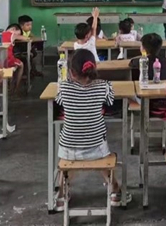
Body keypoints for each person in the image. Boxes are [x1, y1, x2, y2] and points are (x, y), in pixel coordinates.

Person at [55, 49, 131, 208]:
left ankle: (61, 195)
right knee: (103, 158)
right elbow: (110, 102)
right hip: (96, 147)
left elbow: (59, 101)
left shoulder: (63, 87)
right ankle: (115, 191)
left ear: (71, 72)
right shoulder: (104, 86)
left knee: (67, 163)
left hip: (69, 148)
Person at [2, 24, 27, 94]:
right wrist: (18, 37)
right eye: (18, 33)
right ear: (13, 29)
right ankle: (16, 89)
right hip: (7, 60)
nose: (17, 35)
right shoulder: (12, 34)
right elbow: (25, 38)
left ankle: (11, 85)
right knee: (21, 65)